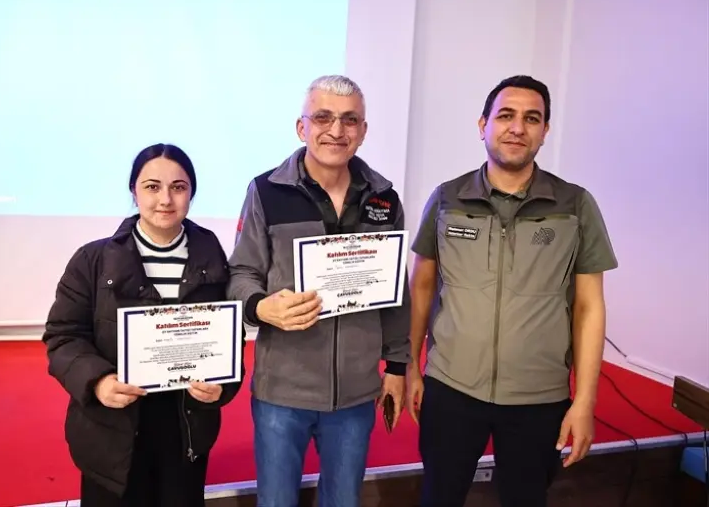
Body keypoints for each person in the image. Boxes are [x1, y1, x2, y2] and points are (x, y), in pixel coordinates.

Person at [406, 75, 618, 507]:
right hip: (451, 389)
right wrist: (411, 366)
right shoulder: (447, 199)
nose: (517, 128)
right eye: (505, 116)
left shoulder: (575, 205)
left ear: (545, 131)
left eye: (531, 118)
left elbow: (589, 307)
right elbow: (422, 285)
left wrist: (584, 401)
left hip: (538, 398)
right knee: (439, 496)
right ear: (482, 125)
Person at [227, 74, 411, 506]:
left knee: (343, 501)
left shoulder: (384, 198)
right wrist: (260, 307)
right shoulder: (266, 191)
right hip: (282, 391)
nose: (337, 130)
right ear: (302, 127)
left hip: (356, 393)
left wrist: (397, 366)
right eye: (323, 117)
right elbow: (241, 272)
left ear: (363, 131)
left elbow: (396, 292)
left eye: (350, 120)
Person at [42, 143, 245, 507]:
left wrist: (223, 385)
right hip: (113, 425)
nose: (165, 199)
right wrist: (98, 382)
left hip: (185, 424)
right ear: (134, 192)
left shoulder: (211, 255)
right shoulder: (92, 259)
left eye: (178, 187)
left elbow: (229, 336)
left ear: (191, 193)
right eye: (152, 187)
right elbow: (63, 336)